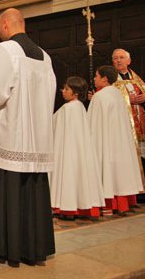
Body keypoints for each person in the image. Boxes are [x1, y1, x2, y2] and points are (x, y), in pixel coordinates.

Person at [0, 8, 56, 267]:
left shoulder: (5, 50)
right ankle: (33, 248)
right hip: (37, 136)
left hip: (11, 134)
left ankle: (8, 247)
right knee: (32, 190)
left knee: (8, 187)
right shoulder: (44, 56)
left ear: (5, 24)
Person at [88, 65, 143, 215]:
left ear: (104, 79)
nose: (94, 78)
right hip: (119, 141)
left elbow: (92, 123)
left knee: (106, 171)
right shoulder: (118, 94)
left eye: (97, 76)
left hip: (104, 140)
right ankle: (121, 204)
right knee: (117, 173)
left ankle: (107, 205)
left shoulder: (100, 97)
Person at [49, 76, 105, 219]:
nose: (63, 91)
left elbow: (53, 126)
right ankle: (81, 206)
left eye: (67, 89)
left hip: (67, 151)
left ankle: (67, 208)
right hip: (79, 151)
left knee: (68, 175)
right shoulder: (80, 107)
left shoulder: (68, 109)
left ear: (76, 93)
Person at [111, 48, 145, 199]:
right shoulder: (111, 81)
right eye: (115, 58)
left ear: (129, 61)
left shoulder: (138, 81)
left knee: (143, 155)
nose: (118, 60)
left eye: (121, 58)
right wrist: (127, 100)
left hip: (141, 126)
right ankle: (133, 193)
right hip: (124, 127)